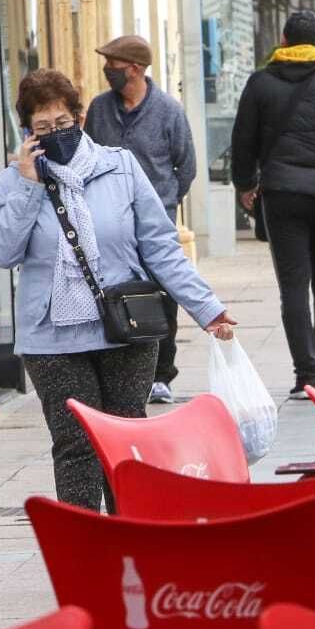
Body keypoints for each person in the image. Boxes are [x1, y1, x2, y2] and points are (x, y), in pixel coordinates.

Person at [0, 69, 236, 511]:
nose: (54, 134)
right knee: (75, 444)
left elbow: (160, 247)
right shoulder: (12, 183)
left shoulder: (118, 167)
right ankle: (84, 551)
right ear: (27, 132)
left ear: (79, 119)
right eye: (42, 128)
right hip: (53, 338)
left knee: (127, 440)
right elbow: (2, 253)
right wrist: (28, 185)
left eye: (61, 124)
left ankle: (131, 541)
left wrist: (206, 307)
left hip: (126, 327)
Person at [231, 11, 315, 398]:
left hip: (282, 194)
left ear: (283, 40)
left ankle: (306, 377)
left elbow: (243, 141)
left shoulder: (260, 83)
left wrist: (245, 185)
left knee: (293, 285)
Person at [85, 35, 197, 405]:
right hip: (108, 222)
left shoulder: (168, 110)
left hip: (155, 220)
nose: (107, 71)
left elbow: (186, 165)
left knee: (161, 292)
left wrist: (162, 203)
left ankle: (162, 373)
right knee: (117, 292)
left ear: (134, 69)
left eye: (112, 65)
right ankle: (121, 366)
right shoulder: (100, 109)